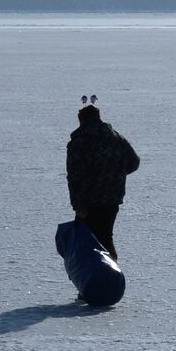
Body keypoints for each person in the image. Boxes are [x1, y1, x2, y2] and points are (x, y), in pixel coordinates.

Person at [66, 95, 140, 259]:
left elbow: (74, 177)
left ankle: (98, 279)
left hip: (89, 201)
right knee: (106, 237)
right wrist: (115, 175)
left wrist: (78, 205)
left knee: (89, 242)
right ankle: (111, 276)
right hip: (112, 198)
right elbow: (134, 162)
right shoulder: (115, 138)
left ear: (81, 121)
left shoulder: (79, 143)